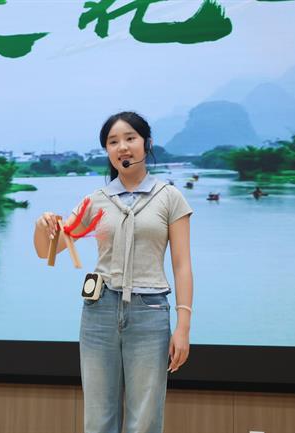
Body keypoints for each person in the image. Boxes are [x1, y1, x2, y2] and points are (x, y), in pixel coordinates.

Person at [33, 112, 193, 433]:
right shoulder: (95, 201)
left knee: (145, 419)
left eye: (130, 138)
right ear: (107, 150)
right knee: (98, 417)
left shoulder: (169, 197)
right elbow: (47, 250)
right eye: (113, 141)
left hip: (150, 311)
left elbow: (182, 264)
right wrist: (41, 226)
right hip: (99, 310)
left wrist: (183, 327)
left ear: (147, 143)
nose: (123, 147)